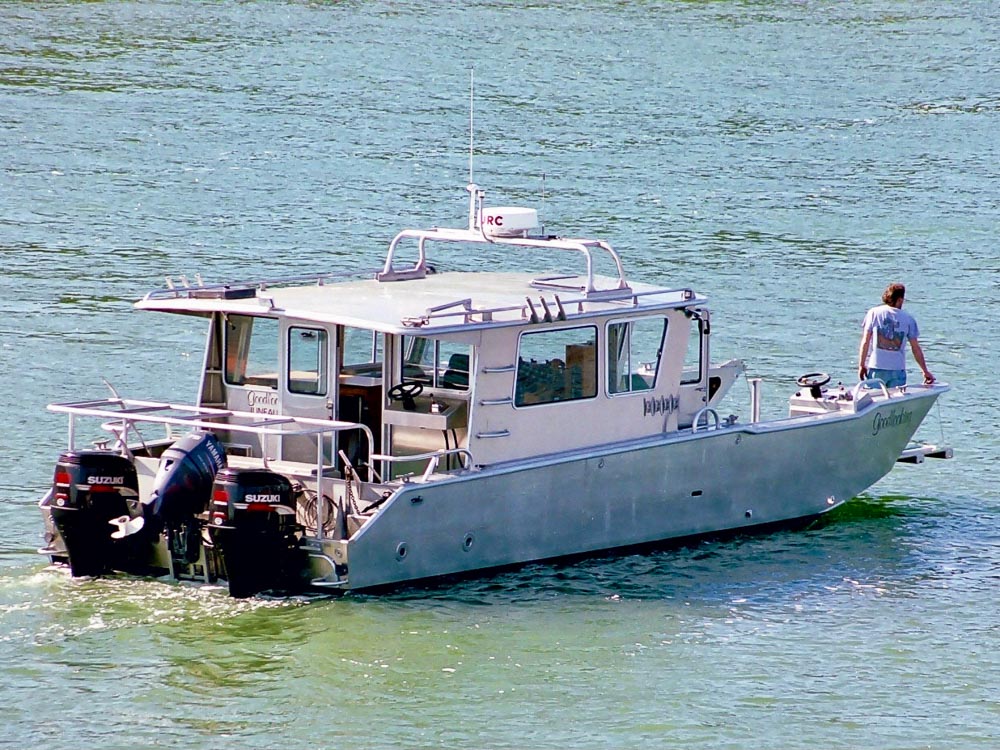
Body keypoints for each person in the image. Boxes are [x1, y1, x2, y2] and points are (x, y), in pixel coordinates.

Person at [858, 282, 934, 387]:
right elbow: (915, 348)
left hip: (876, 367)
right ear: (900, 299)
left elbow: (865, 341)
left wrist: (861, 365)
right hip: (897, 370)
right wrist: (925, 371)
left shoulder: (874, 313)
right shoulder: (908, 318)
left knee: (875, 399)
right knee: (896, 400)